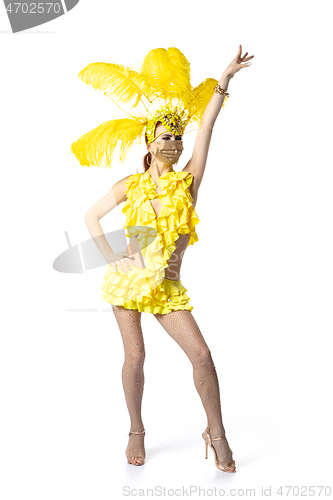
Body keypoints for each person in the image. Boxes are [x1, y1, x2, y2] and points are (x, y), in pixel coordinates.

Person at [73, 46, 254, 471]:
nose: (173, 142)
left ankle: (216, 432)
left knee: (202, 356)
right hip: (128, 284)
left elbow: (207, 125)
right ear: (149, 143)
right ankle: (136, 429)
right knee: (135, 357)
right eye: (165, 137)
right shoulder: (130, 185)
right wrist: (110, 257)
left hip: (166, 288)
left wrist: (223, 81)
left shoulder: (188, 183)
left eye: (178, 137)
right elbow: (91, 215)